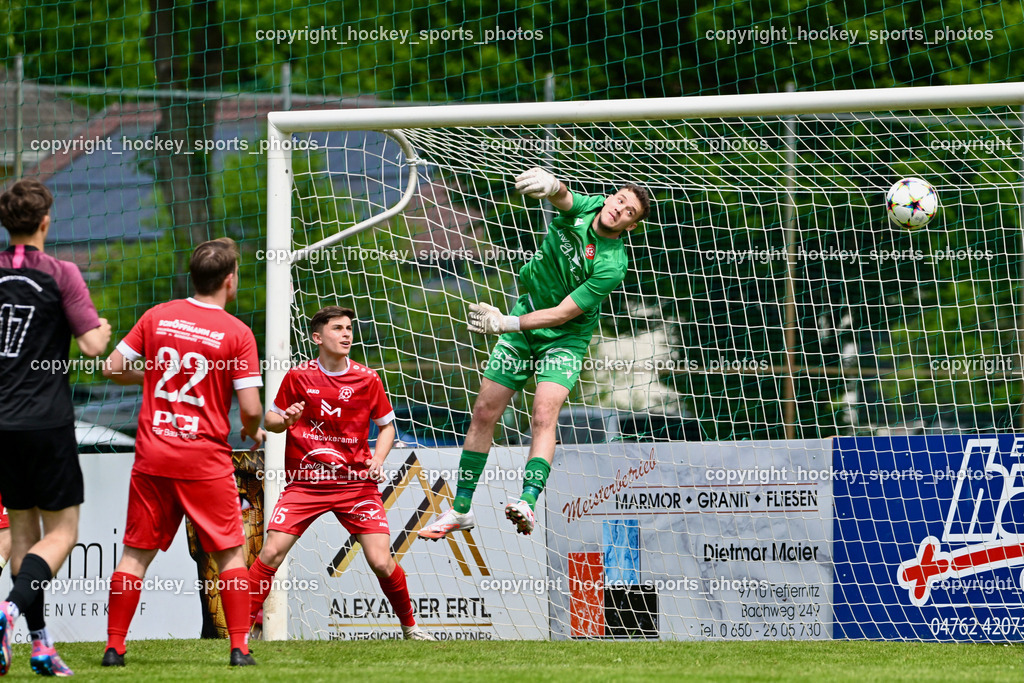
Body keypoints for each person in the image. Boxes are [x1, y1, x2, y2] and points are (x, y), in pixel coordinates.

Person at [419, 168, 650, 539]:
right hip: (525, 319)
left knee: (544, 414)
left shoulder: (612, 264)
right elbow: (565, 197)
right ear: (609, 198)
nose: (620, 209)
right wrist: (551, 185)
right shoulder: (590, 207)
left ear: (630, 226)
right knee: (483, 411)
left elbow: (561, 314)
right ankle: (460, 509)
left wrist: (506, 323)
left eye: (630, 212)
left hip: (564, 338)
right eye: (620, 200)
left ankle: (527, 499)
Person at [101, 237, 265, 667]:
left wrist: (153, 381)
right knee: (230, 552)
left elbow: (111, 368)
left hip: (153, 454)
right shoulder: (237, 333)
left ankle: (115, 649)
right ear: (229, 281)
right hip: (203, 459)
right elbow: (249, 409)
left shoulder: (158, 315)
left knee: (135, 554)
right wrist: (254, 431)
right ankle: (239, 649)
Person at [248, 306, 434, 641]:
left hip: (356, 485)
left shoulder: (367, 378)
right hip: (307, 484)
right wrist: (287, 420)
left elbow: (388, 427)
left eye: (349, 328)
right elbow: (271, 422)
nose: (347, 334)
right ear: (318, 337)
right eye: (338, 328)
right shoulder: (298, 376)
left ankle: (411, 628)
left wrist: (378, 458)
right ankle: (239, 632)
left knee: (380, 561)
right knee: (271, 551)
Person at [0, 178, 112, 676]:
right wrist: (103, 329)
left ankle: (40, 645)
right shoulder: (60, 273)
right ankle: (7, 610)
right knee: (63, 532)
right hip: (46, 421)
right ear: (46, 221)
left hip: (2, 423)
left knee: (22, 532)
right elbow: (92, 347)